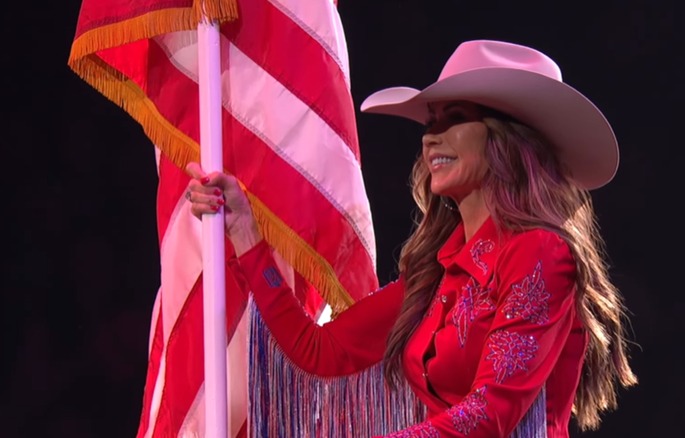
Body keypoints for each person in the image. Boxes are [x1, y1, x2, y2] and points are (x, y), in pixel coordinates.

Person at [185, 40, 637, 437]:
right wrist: (245, 230)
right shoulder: (440, 272)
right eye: (430, 123)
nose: (430, 138)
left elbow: (490, 413)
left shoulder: (539, 253)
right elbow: (319, 352)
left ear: (508, 141)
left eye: (454, 118)